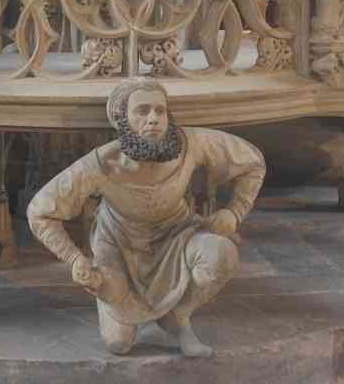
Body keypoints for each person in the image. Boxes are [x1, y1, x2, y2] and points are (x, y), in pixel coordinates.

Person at [28, 77, 266, 357]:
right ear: (122, 120)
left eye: (160, 111)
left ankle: (178, 316)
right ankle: (117, 300)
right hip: (118, 247)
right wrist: (75, 259)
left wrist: (234, 213)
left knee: (221, 255)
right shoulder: (102, 164)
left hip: (176, 236)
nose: (153, 119)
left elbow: (253, 162)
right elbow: (39, 212)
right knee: (118, 344)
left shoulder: (191, 143)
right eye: (142, 111)